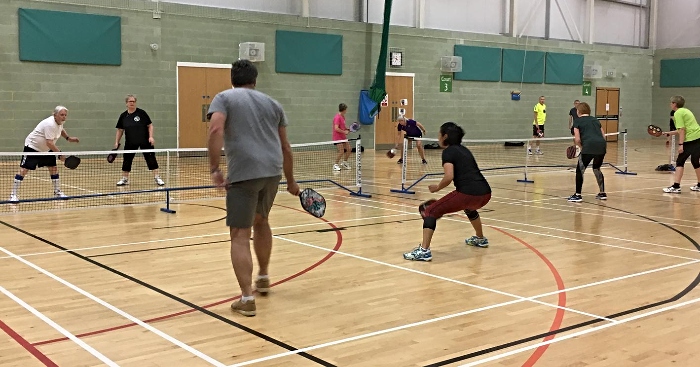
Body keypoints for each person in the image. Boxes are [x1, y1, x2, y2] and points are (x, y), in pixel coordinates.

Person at [207, 60, 300, 317]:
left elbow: (215, 127)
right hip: (272, 171)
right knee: (262, 221)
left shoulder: (224, 98)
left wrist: (215, 168)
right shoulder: (273, 104)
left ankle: (247, 298)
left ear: (232, 79)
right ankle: (263, 276)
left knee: (239, 234)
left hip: (243, 173)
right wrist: (291, 181)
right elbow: (286, 147)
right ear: (255, 80)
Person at [403, 122, 492, 262]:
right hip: (485, 193)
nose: (438, 137)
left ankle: (424, 251)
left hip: (468, 193)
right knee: (469, 208)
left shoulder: (448, 152)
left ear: (445, 136)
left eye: (439, 134)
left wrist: (437, 187)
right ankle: (480, 239)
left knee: (430, 211)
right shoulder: (464, 150)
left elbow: (449, 176)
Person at [9, 106, 80, 203]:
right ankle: (13, 195)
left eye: (65, 115)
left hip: (46, 149)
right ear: (55, 115)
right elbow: (49, 143)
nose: (64, 117)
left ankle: (57, 192)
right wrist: (60, 155)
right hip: (32, 147)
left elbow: (60, 130)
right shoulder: (49, 124)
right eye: (61, 115)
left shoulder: (59, 122)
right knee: (24, 170)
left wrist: (68, 138)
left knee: (53, 168)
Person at [114, 95, 164, 186]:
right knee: (127, 160)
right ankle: (125, 179)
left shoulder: (142, 113)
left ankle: (157, 177)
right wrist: (117, 142)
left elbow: (150, 125)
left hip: (145, 140)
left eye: (133, 101)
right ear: (126, 103)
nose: (132, 103)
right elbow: (120, 130)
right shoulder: (123, 116)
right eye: (130, 101)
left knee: (151, 158)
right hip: (130, 141)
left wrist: (151, 137)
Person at [567, 102, 607, 202]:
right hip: (601, 146)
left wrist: (581, 148)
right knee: (597, 168)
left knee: (579, 170)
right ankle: (602, 193)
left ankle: (577, 195)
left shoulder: (577, 121)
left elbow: (577, 139)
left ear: (578, 111)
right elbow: (603, 136)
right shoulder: (596, 120)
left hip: (588, 146)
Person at [661, 95, 700, 193]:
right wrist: (669, 133)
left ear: (675, 104)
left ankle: (676, 186)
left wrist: (681, 144)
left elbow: (682, 130)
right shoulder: (686, 111)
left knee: (680, 162)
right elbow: (682, 129)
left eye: (671, 103)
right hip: (698, 137)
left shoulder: (677, 113)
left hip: (691, 139)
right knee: (695, 161)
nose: (670, 104)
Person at [332, 103, 351, 171]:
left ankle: (344, 162)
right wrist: (344, 132)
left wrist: (347, 129)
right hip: (337, 137)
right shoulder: (337, 117)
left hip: (343, 137)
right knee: (341, 151)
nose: (346, 111)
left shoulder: (343, 117)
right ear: (344, 110)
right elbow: (336, 128)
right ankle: (335, 164)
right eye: (346, 109)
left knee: (349, 149)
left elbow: (342, 127)